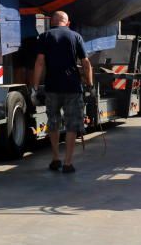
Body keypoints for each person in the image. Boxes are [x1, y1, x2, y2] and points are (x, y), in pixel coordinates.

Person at [31, 10, 94, 174]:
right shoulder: (76, 37)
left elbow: (39, 63)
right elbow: (86, 63)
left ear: (52, 22)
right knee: (72, 124)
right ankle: (68, 162)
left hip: (52, 87)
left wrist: (35, 87)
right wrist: (90, 84)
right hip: (73, 88)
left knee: (53, 122)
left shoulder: (44, 37)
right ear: (68, 22)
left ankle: (55, 158)